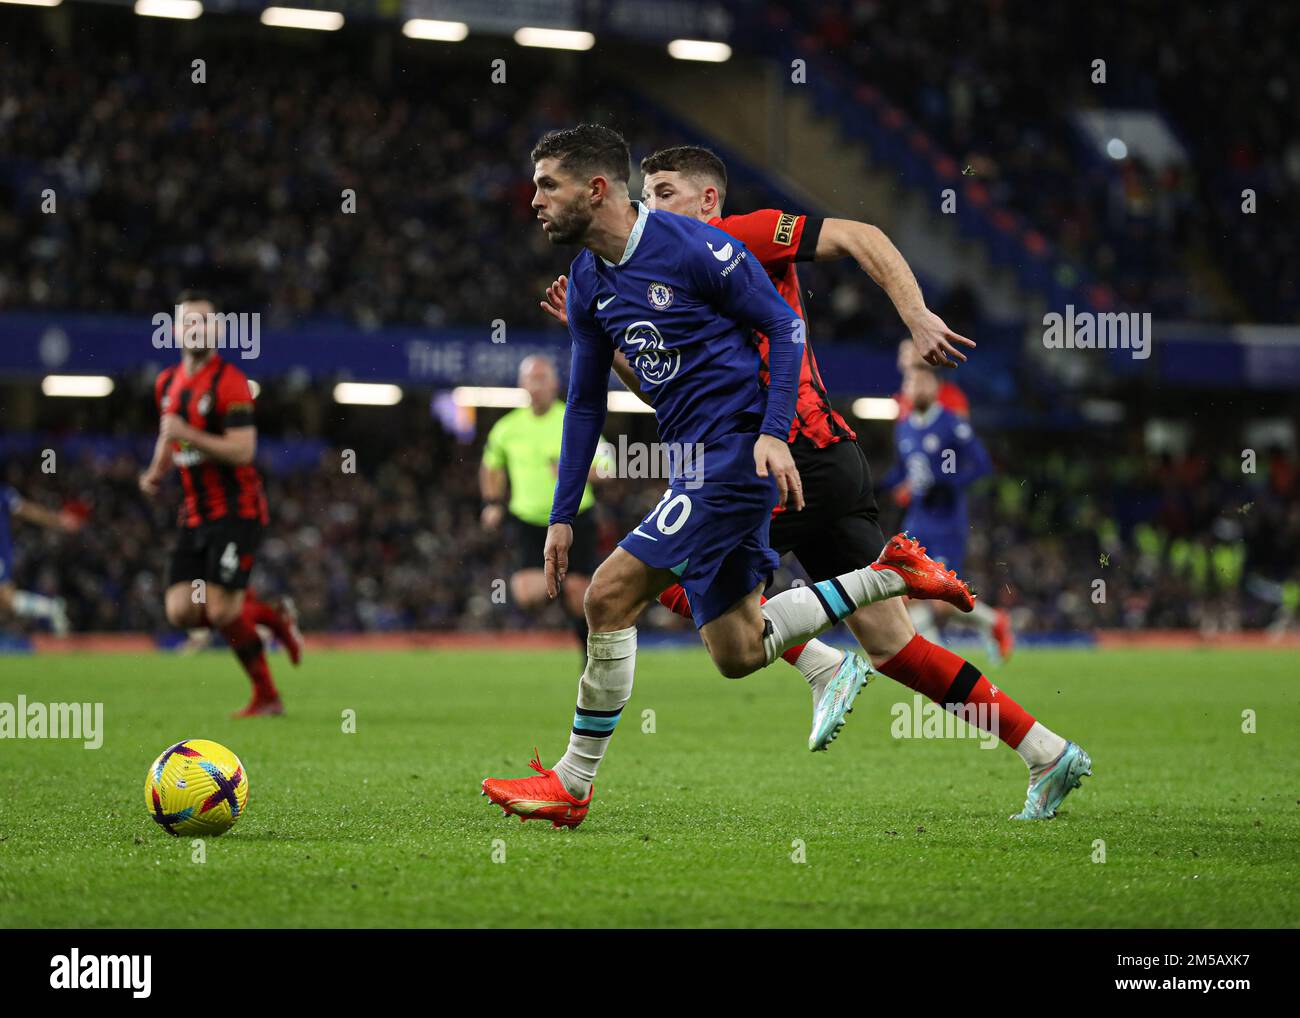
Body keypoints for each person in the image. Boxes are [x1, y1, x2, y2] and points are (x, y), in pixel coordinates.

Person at [537, 144, 1081, 819]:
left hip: (786, 455)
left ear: (709, 199)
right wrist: (610, 336)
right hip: (811, 461)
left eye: (667, 190)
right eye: (647, 191)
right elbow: (666, 389)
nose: (653, 203)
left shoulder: (739, 236)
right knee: (893, 645)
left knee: (659, 586)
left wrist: (914, 316)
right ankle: (1047, 752)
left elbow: (861, 234)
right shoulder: (656, 269)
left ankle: (829, 653)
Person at [138, 292, 302, 717]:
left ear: (218, 331)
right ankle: (268, 614)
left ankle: (267, 695)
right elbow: (168, 433)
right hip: (194, 511)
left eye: (206, 323)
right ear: (175, 330)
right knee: (180, 611)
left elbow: (243, 451)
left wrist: (187, 435)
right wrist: (156, 471)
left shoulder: (230, 383)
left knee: (221, 609)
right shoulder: (167, 383)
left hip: (237, 508)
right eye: (190, 323)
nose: (198, 329)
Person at [480, 354, 610, 657]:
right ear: (521, 384)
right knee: (526, 594)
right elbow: (491, 466)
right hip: (528, 521)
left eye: (543, 379)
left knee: (580, 599)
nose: (537, 386)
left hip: (575, 519)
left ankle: (589, 658)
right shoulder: (506, 429)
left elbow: (608, 467)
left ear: (556, 384)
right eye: (532, 379)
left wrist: (577, 470)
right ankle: (563, 587)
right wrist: (493, 502)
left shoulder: (575, 420)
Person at [888, 363, 1014, 662]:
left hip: (947, 522)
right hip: (916, 519)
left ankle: (991, 622)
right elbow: (905, 470)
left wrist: (947, 483)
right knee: (908, 592)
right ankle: (941, 664)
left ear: (934, 387)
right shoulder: (903, 427)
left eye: (920, 381)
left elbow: (981, 465)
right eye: (909, 382)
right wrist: (892, 486)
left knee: (940, 599)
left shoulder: (951, 424)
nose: (914, 387)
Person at [0, 485, 79, 636]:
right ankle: (50, 608)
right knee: (6, 601)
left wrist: (58, 521)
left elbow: (29, 511)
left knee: (5, 598)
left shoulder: (3, 494)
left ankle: (51, 609)